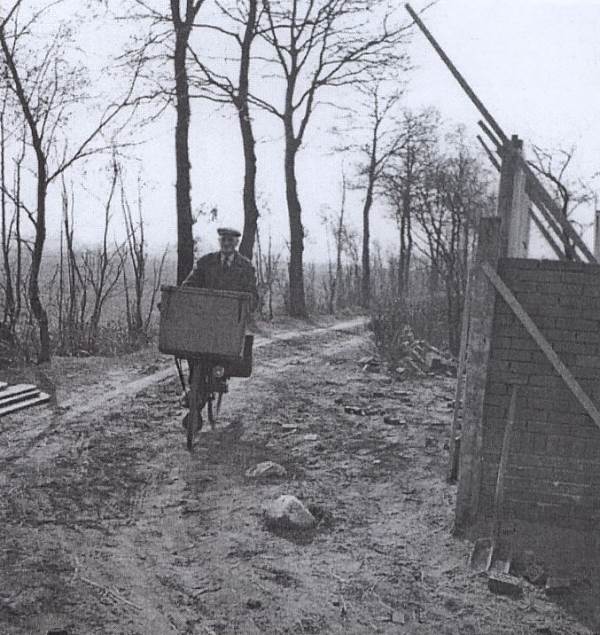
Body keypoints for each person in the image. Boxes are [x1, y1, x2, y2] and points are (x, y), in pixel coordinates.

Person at [182, 227, 258, 308]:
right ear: (219, 241)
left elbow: (253, 298)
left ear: (237, 243)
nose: (226, 243)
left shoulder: (246, 267)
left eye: (230, 240)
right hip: (206, 313)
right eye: (223, 240)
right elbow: (187, 287)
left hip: (233, 316)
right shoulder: (205, 262)